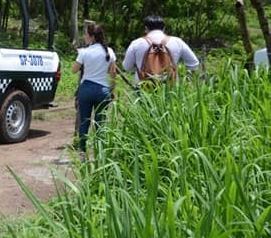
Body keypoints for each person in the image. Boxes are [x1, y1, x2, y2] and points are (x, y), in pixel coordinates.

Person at [71, 22, 116, 156]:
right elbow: (113, 72)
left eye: (85, 35)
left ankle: (82, 153)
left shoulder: (85, 52)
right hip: (103, 90)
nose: (84, 37)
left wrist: (82, 62)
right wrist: (113, 89)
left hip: (86, 89)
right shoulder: (109, 52)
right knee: (100, 122)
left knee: (84, 122)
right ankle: (100, 153)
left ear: (91, 37)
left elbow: (74, 70)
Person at [122, 15, 199, 84]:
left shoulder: (136, 43)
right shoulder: (177, 41)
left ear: (146, 28)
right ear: (164, 28)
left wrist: (138, 66)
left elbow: (127, 67)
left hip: (144, 87)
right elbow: (194, 63)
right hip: (171, 88)